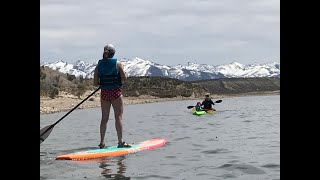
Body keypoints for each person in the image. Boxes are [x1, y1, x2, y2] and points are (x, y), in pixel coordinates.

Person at [93, 44, 131, 149]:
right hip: (115, 93)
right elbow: (124, 78)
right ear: (113, 53)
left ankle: (102, 143)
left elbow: (95, 83)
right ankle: (120, 142)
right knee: (118, 117)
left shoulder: (99, 65)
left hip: (104, 93)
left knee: (104, 119)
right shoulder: (118, 64)